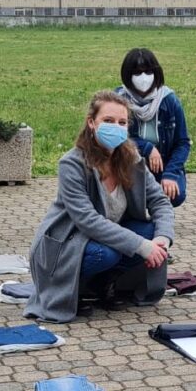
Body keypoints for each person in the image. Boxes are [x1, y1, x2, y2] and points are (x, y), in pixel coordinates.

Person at [25, 90, 175, 323]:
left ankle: (104, 283)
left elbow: (160, 201)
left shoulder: (131, 158)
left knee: (150, 232)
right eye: (108, 121)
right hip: (68, 241)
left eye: (122, 122)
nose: (116, 127)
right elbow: (87, 220)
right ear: (91, 123)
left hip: (104, 235)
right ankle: (77, 289)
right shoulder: (72, 163)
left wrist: (162, 239)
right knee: (107, 253)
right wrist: (141, 246)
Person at [116, 48, 190, 206]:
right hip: (130, 164)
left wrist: (170, 174)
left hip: (162, 165)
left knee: (175, 194)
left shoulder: (170, 101)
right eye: (137, 73)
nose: (143, 78)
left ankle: (158, 209)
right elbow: (116, 137)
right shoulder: (118, 100)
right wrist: (147, 148)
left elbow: (182, 142)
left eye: (148, 72)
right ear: (127, 75)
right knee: (133, 197)